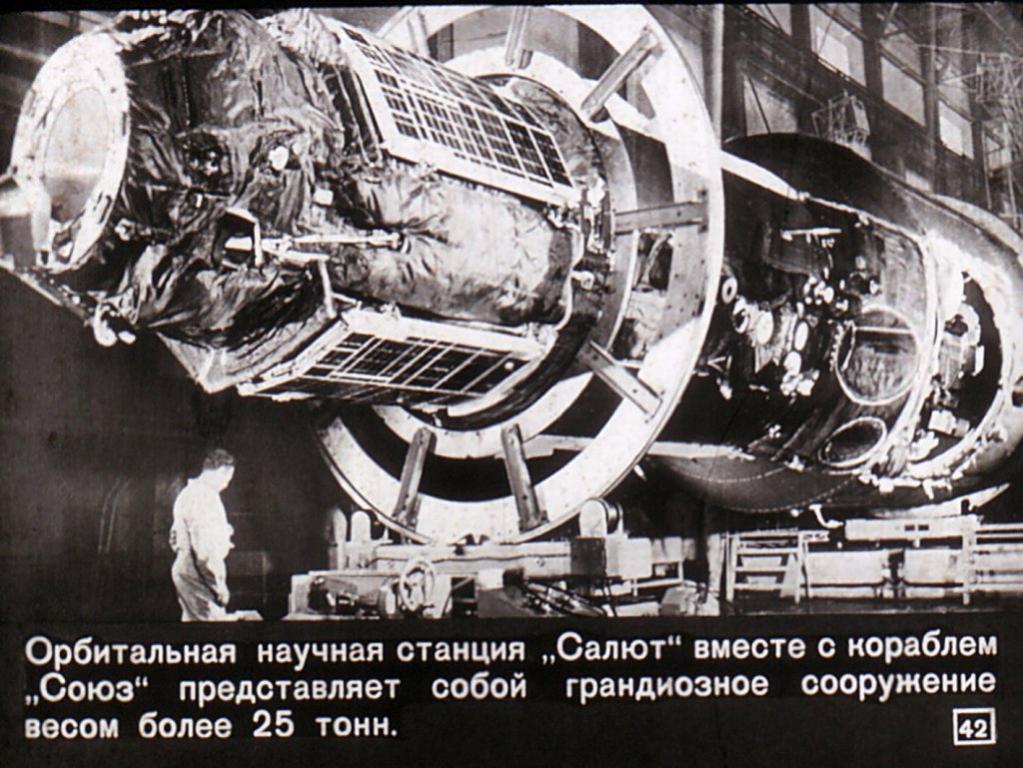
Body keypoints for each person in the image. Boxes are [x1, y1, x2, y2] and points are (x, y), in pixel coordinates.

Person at [170, 448, 236, 621]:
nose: (226, 485)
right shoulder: (205, 497)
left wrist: (221, 534)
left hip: (186, 571)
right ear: (221, 471)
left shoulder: (187, 493)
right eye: (228, 479)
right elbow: (204, 552)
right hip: (198, 574)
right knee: (210, 627)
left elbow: (174, 538)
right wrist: (218, 586)